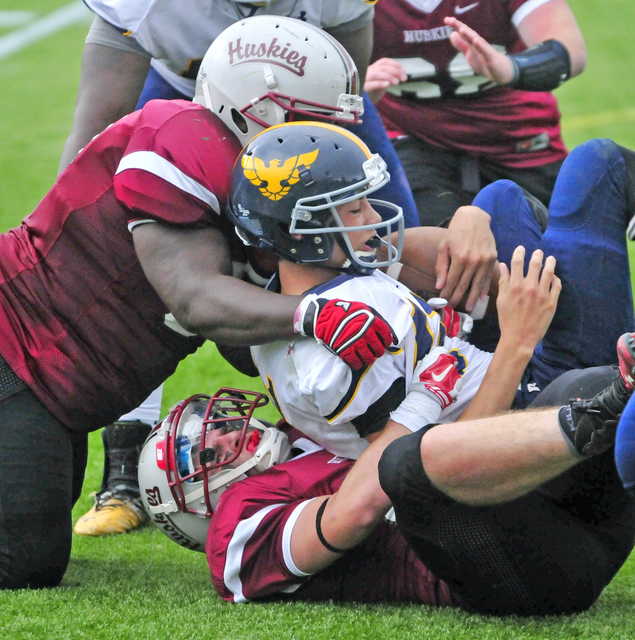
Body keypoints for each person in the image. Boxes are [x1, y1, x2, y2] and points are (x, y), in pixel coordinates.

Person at [0, 16, 404, 590]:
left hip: (59, 387)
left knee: (36, 519)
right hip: (13, 350)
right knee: (24, 561)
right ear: (255, 111)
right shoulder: (181, 135)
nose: (328, 145)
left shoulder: (262, 181)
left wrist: (467, 230)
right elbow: (196, 300)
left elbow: (244, 341)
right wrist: (312, 314)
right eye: (314, 125)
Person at [220, 123, 634, 461]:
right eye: (353, 209)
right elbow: (436, 466)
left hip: (490, 370)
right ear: (302, 232)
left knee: (498, 201)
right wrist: (518, 341)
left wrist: (468, 216)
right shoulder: (339, 353)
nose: (371, 217)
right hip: (525, 413)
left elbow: (442, 252)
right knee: (598, 167)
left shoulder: (308, 287)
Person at [136, 336, 635, 612]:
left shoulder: (301, 438)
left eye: (208, 429)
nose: (221, 436)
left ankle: (604, 404)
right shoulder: (234, 538)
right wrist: (424, 399)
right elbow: (355, 511)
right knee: (406, 462)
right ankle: (596, 415)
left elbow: (473, 445)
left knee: (583, 381)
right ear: (195, 509)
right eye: (199, 456)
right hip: (515, 574)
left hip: (546, 510)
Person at [364, 0, 587, 226]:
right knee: (427, 248)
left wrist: (511, 68)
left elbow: (567, 50)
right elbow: (331, 63)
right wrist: (356, 86)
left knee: (551, 249)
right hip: (411, 137)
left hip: (516, 138)